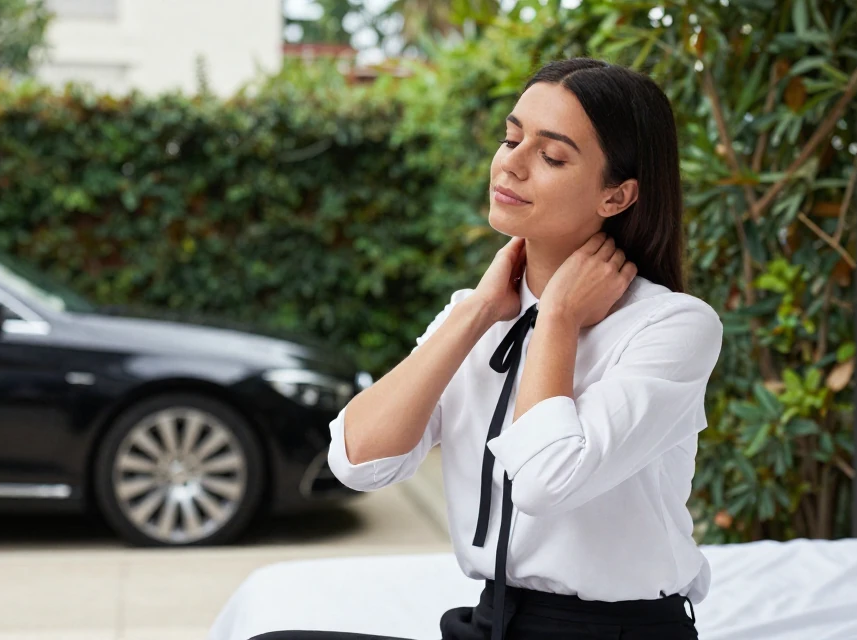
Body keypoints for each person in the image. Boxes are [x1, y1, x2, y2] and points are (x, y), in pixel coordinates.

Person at [251, 57, 722, 640]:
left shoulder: (672, 326)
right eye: (511, 138)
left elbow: (545, 481)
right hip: (491, 621)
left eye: (551, 156)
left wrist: (557, 319)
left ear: (616, 195)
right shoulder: (480, 313)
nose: (511, 164)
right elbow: (358, 461)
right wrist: (475, 312)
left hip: (616, 632)